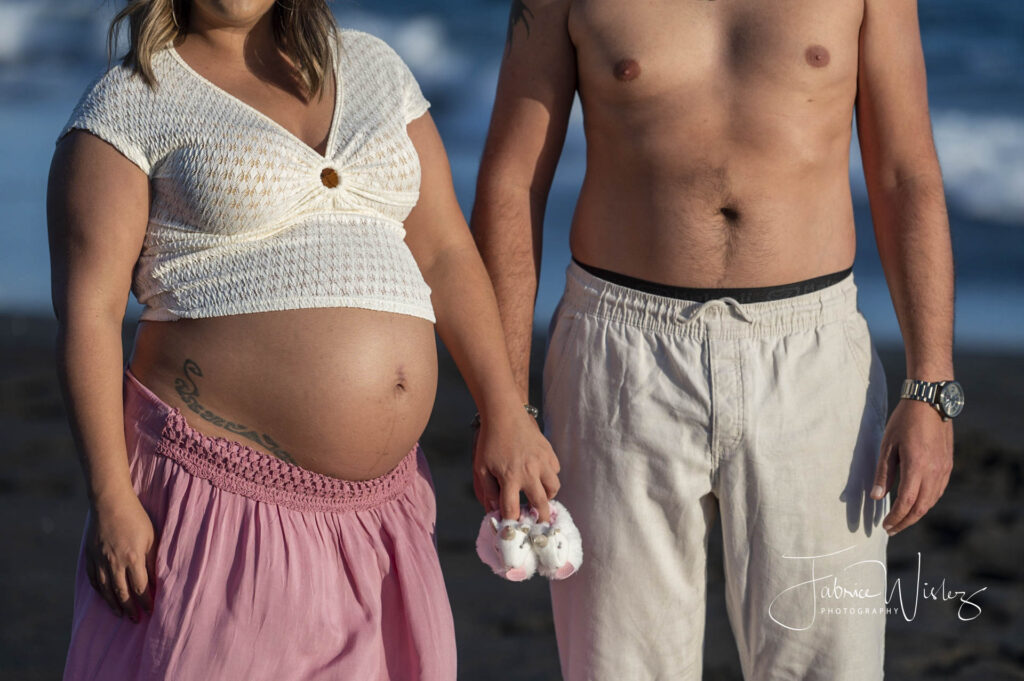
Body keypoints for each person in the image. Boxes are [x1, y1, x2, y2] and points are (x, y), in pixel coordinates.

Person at [48, 1, 560, 678]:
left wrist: (505, 409)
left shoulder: (375, 68)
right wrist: (110, 495)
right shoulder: (130, 102)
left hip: (383, 520)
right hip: (219, 507)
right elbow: (89, 313)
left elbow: (444, 252)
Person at [472, 1, 962, 679]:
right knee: (620, 665)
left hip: (811, 353)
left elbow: (906, 172)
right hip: (620, 354)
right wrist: (505, 405)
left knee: (829, 665)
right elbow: (511, 181)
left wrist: (930, 384)